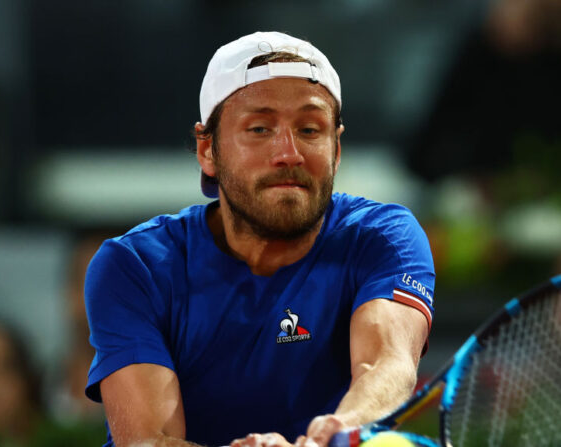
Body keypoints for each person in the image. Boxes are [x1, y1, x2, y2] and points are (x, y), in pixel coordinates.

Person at [84, 31, 436, 447]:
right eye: (259, 128)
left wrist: (344, 427)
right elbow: (149, 440)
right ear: (207, 150)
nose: (288, 152)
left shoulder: (383, 237)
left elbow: (386, 365)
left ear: (336, 150)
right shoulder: (135, 266)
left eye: (309, 129)